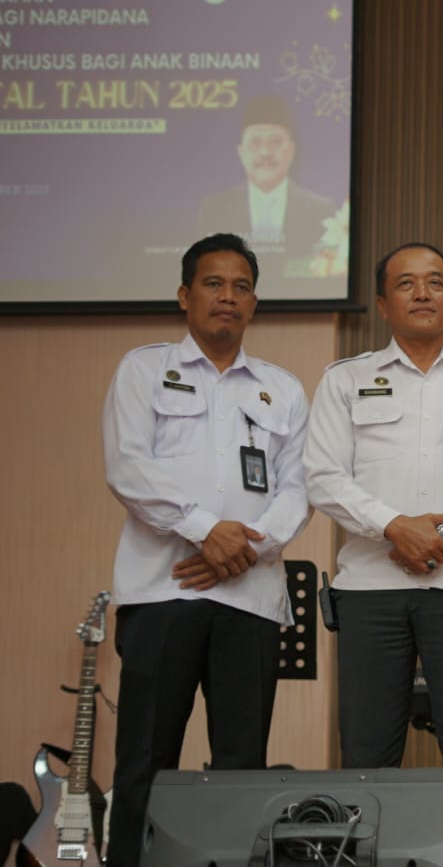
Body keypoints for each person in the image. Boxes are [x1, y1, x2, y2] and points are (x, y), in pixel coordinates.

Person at [102, 232, 311, 867]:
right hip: (162, 591)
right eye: (214, 284)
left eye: (242, 287)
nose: (228, 296)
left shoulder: (282, 389)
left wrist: (249, 547)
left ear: (255, 303)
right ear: (184, 295)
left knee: (241, 769)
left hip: (249, 599)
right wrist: (205, 530)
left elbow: (300, 487)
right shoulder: (144, 370)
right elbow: (128, 467)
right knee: (144, 761)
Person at [305, 242, 443, 768]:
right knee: (367, 756)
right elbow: (322, 475)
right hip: (369, 590)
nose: (422, 293)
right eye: (406, 284)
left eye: (435, 282)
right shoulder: (345, 379)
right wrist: (393, 527)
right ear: (383, 305)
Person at [198, 94, 336, 269]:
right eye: (255, 142)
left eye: (275, 141)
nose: (265, 152)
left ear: (291, 150)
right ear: (241, 152)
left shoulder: (321, 210)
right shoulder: (214, 209)